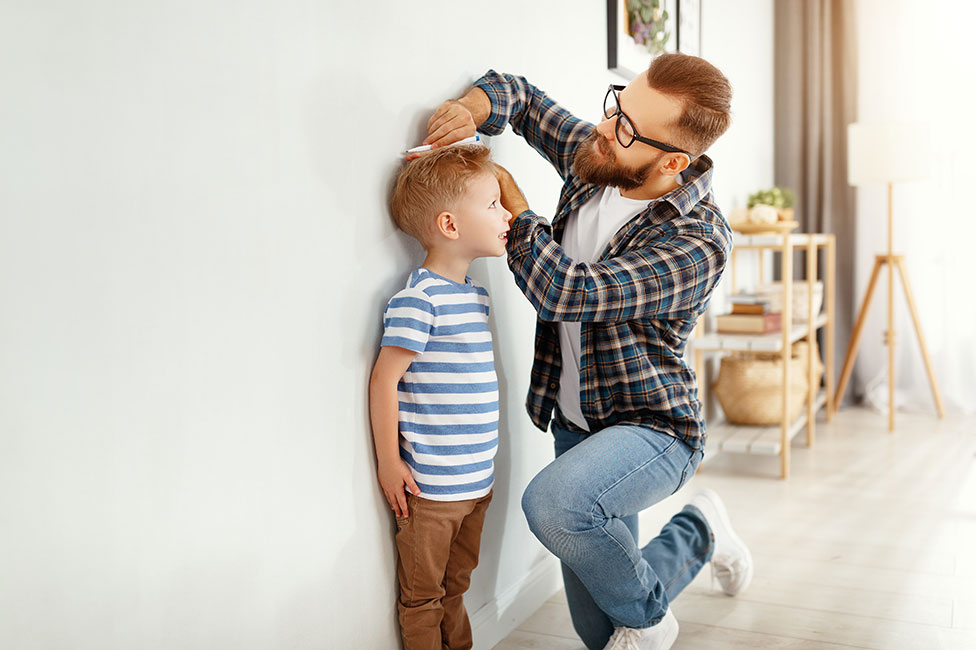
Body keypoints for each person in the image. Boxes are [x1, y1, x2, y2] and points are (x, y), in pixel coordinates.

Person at [415, 53, 753, 650]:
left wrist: (517, 209)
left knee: (553, 505)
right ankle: (701, 530)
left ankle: (654, 622)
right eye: (616, 104)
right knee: (598, 631)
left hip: (653, 428)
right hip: (577, 422)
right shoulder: (608, 154)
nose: (605, 126)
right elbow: (520, 98)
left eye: (625, 126)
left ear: (673, 161)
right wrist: (469, 109)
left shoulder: (697, 241)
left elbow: (569, 291)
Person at [369, 144, 513, 650]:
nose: (507, 213)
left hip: (477, 482)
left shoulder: (474, 294)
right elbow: (385, 380)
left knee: (457, 586)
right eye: (493, 203)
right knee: (423, 597)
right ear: (450, 226)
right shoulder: (419, 300)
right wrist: (390, 461)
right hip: (431, 492)